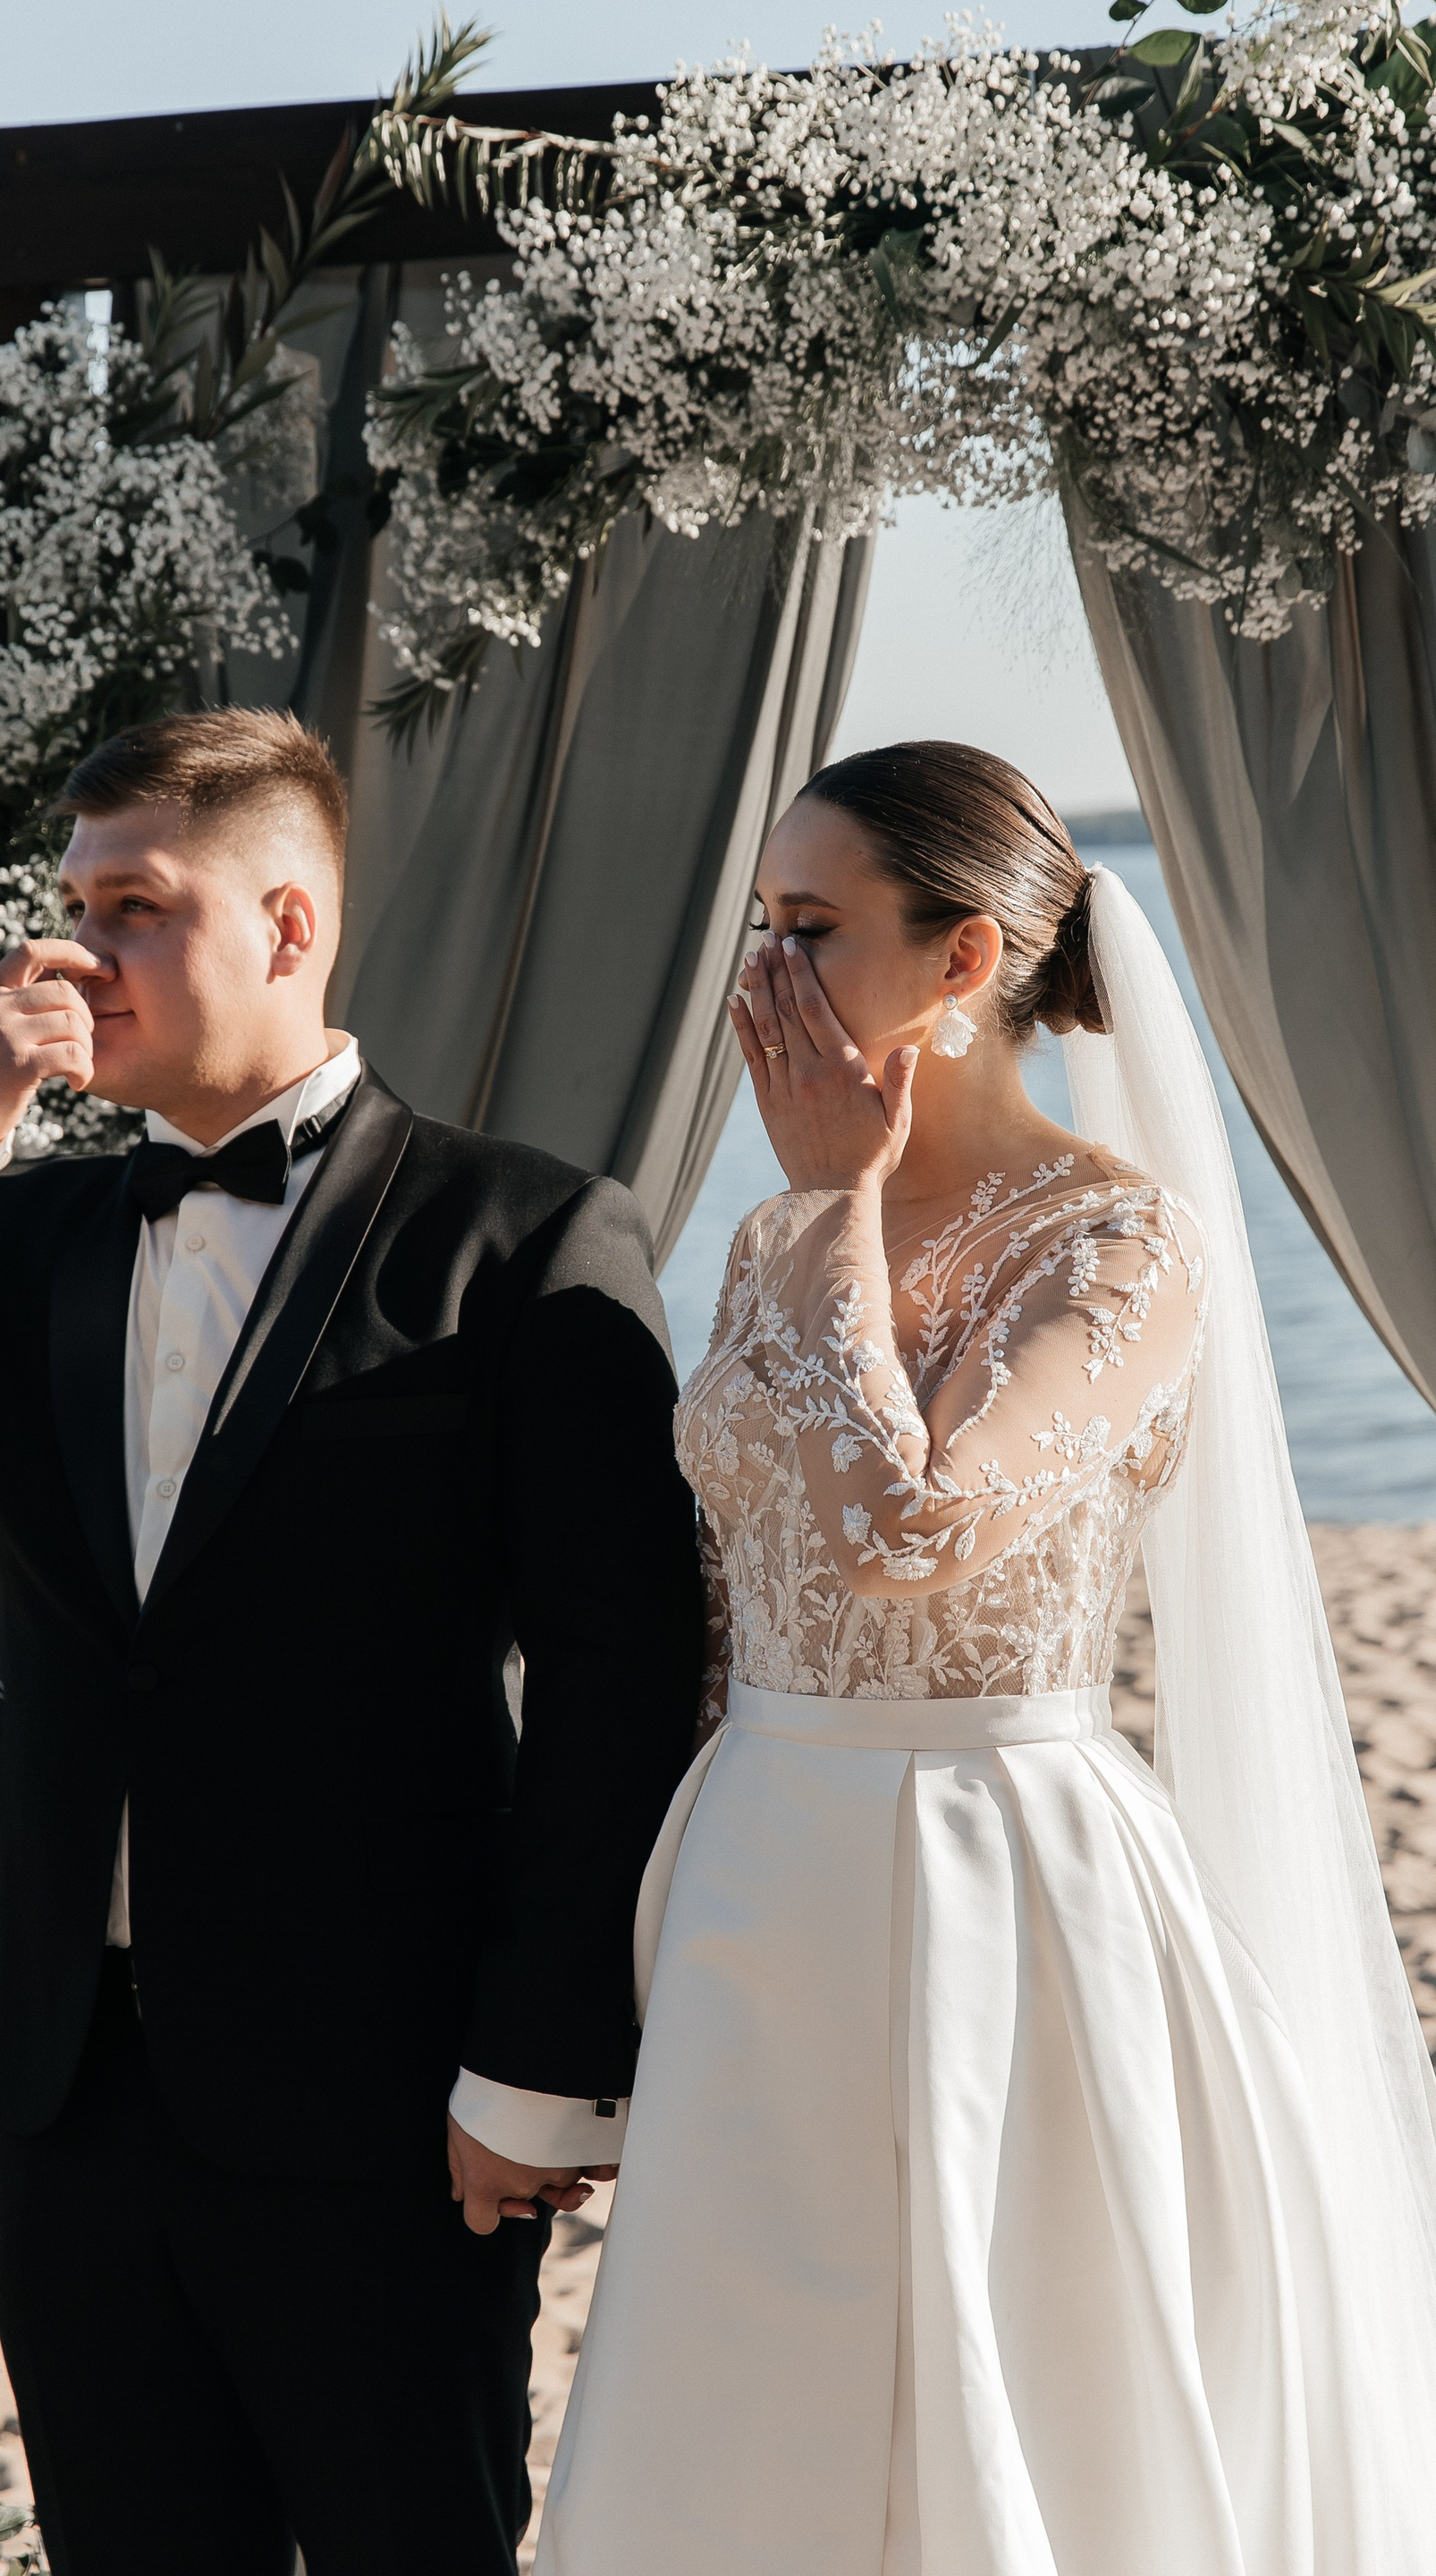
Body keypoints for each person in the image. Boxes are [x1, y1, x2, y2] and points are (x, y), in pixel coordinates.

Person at [0, 708, 703, 2576]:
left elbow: (619, 1683)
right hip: (60, 2072)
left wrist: (539, 2069)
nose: (78, 953)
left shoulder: (527, 1236)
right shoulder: (19, 1228)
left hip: (392, 2095)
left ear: (287, 925)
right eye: (73, 904)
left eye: (137, 908)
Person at [536, 741, 1436, 2575]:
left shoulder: (1126, 1244)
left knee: (1018, 2383)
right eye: (759, 925)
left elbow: (910, 1534)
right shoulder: (773, 1239)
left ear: (963, 960)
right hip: (755, 1878)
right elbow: (731, 1593)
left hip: (1001, 1879)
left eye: (810, 927)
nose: (762, 975)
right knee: (745, 2414)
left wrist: (831, 1204)